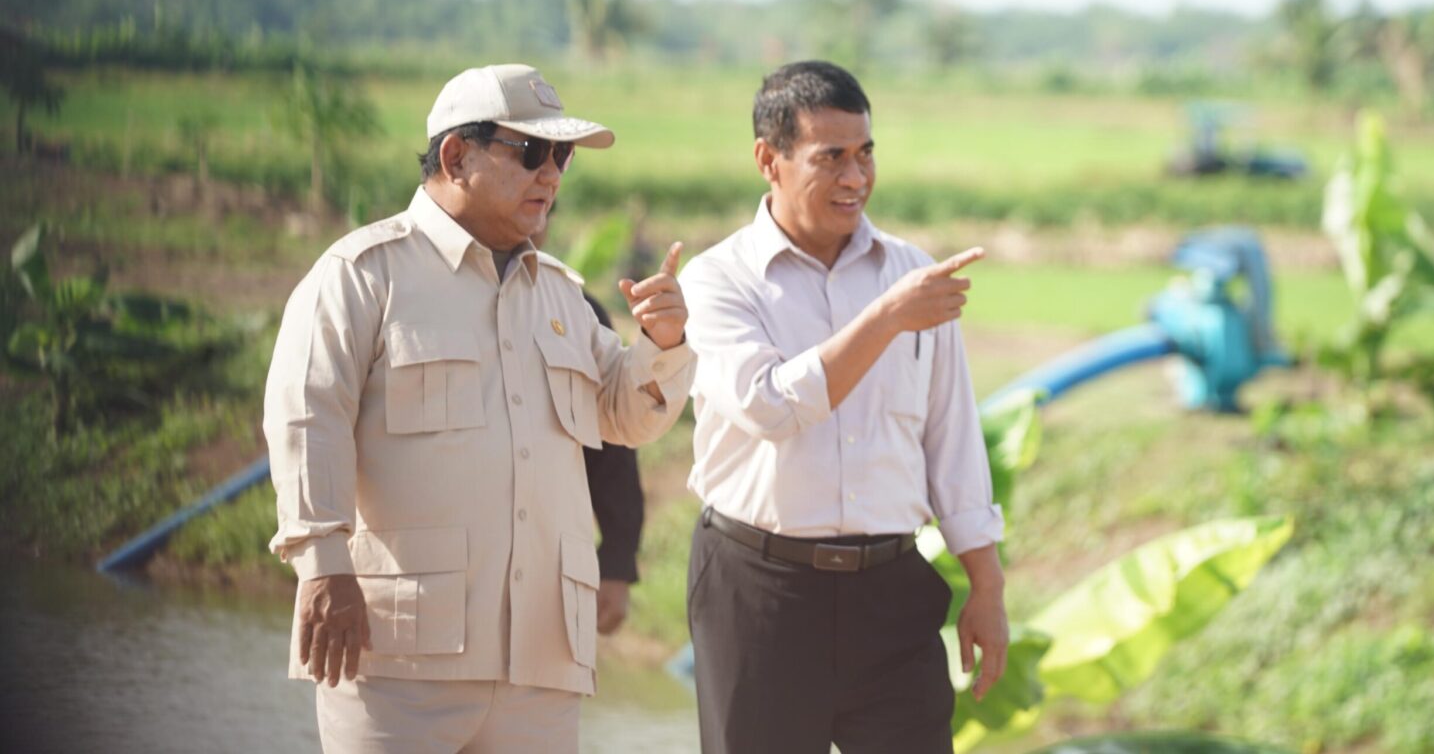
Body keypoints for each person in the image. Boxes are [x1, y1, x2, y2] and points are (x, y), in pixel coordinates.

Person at [262, 63, 695, 753]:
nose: (550, 173)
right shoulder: (362, 275)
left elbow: (625, 417)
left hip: (541, 664)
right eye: (531, 151)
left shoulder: (557, 293)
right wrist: (322, 565)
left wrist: (663, 342)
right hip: (397, 660)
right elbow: (308, 418)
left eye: (562, 156)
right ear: (456, 156)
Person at [679, 60, 1009, 754]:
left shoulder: (911, 274)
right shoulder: (715, 282)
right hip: (758, 593)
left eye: (865, 154)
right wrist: (886, 318)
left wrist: (987, 584)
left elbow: (952, 440)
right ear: (768, 160)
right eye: (831, 158)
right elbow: (768, 407)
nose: (855, 178)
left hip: (891, 594)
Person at [531, 207, 646, 636]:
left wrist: (617, 561)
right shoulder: (404, 291)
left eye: (545, 210)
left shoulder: (574, 309)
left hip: (549, 570)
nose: (535, 223)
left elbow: (613, 451)